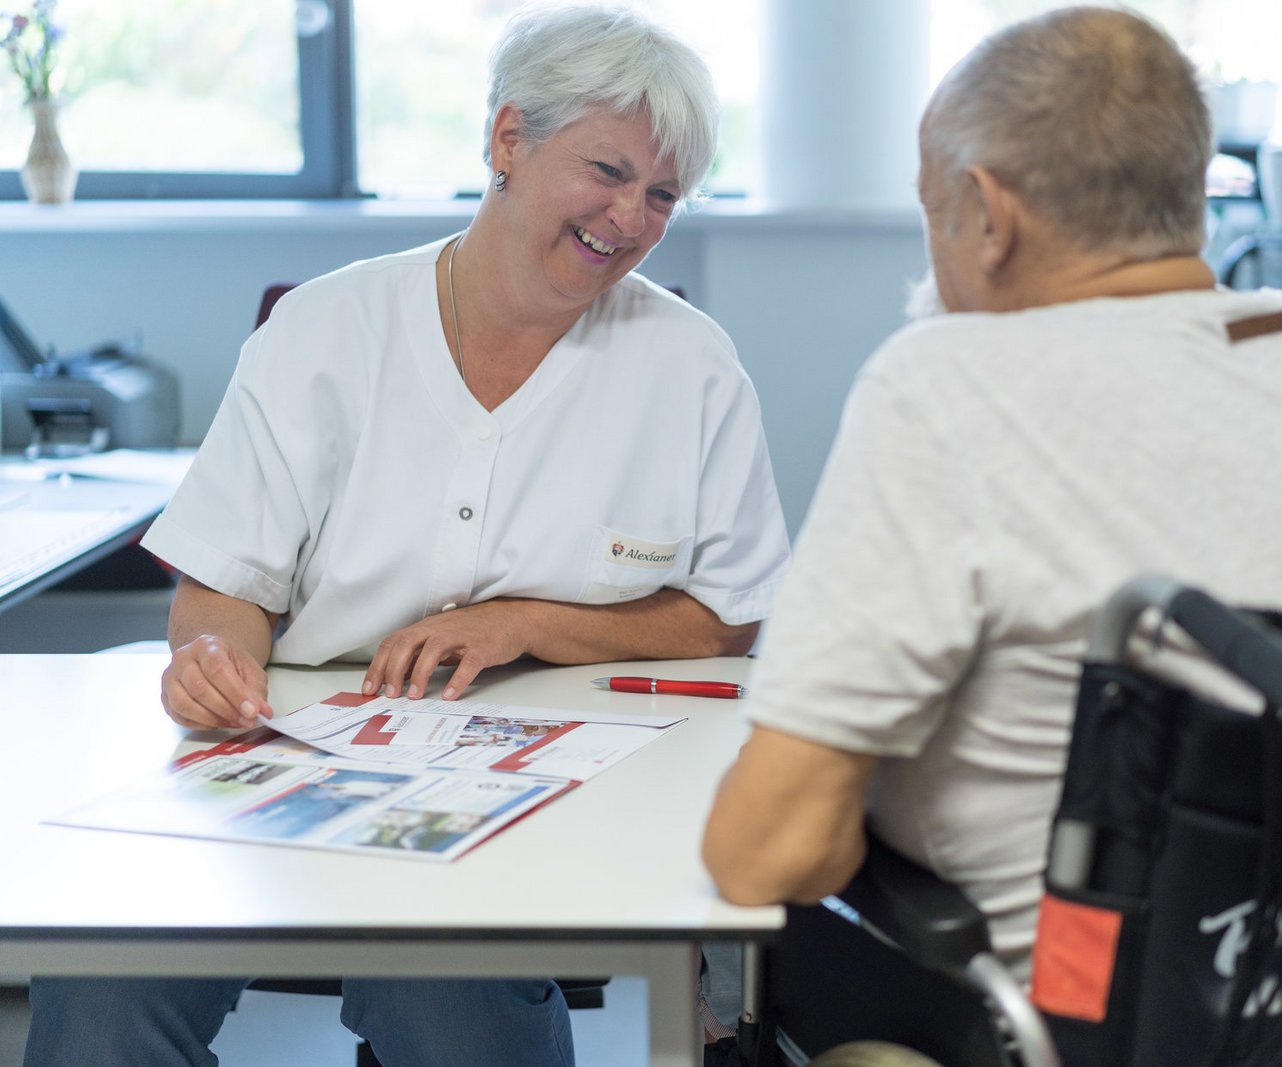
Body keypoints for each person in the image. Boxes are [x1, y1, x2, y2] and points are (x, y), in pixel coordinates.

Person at [26, 7, 788, 1067]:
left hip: (532, 776)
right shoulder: (325, 330)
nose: (629, 215)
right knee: (99, 1008)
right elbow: (222, 586)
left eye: (661, 194)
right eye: (606, 169)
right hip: (286, 757)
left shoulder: (692, 366)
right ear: (508, 140)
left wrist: (523, 622)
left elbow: (729, 619)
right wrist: (210, 661)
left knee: (454, 1005)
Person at [701, 1, 1282, 994]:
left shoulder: (946, 381)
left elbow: (765, 851)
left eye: (932, 211)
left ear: (988, 215)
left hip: (1091, 1019)